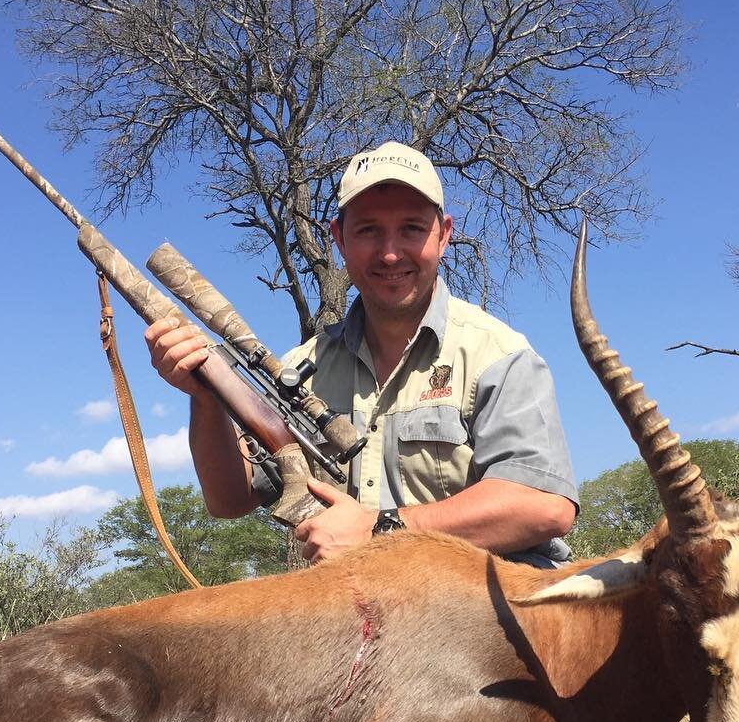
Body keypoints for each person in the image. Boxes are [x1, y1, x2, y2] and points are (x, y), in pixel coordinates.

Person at [145, 142, 578, 566]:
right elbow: (229, 499)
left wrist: (379, 531)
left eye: (411, 228)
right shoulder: (297, 369)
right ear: (339, 239)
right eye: (368, 230)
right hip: (353, 614)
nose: (390, 253)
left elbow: (543, 505)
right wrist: (205, 396)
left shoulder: (498, 355)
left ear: (444, 235)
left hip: (480, 613)